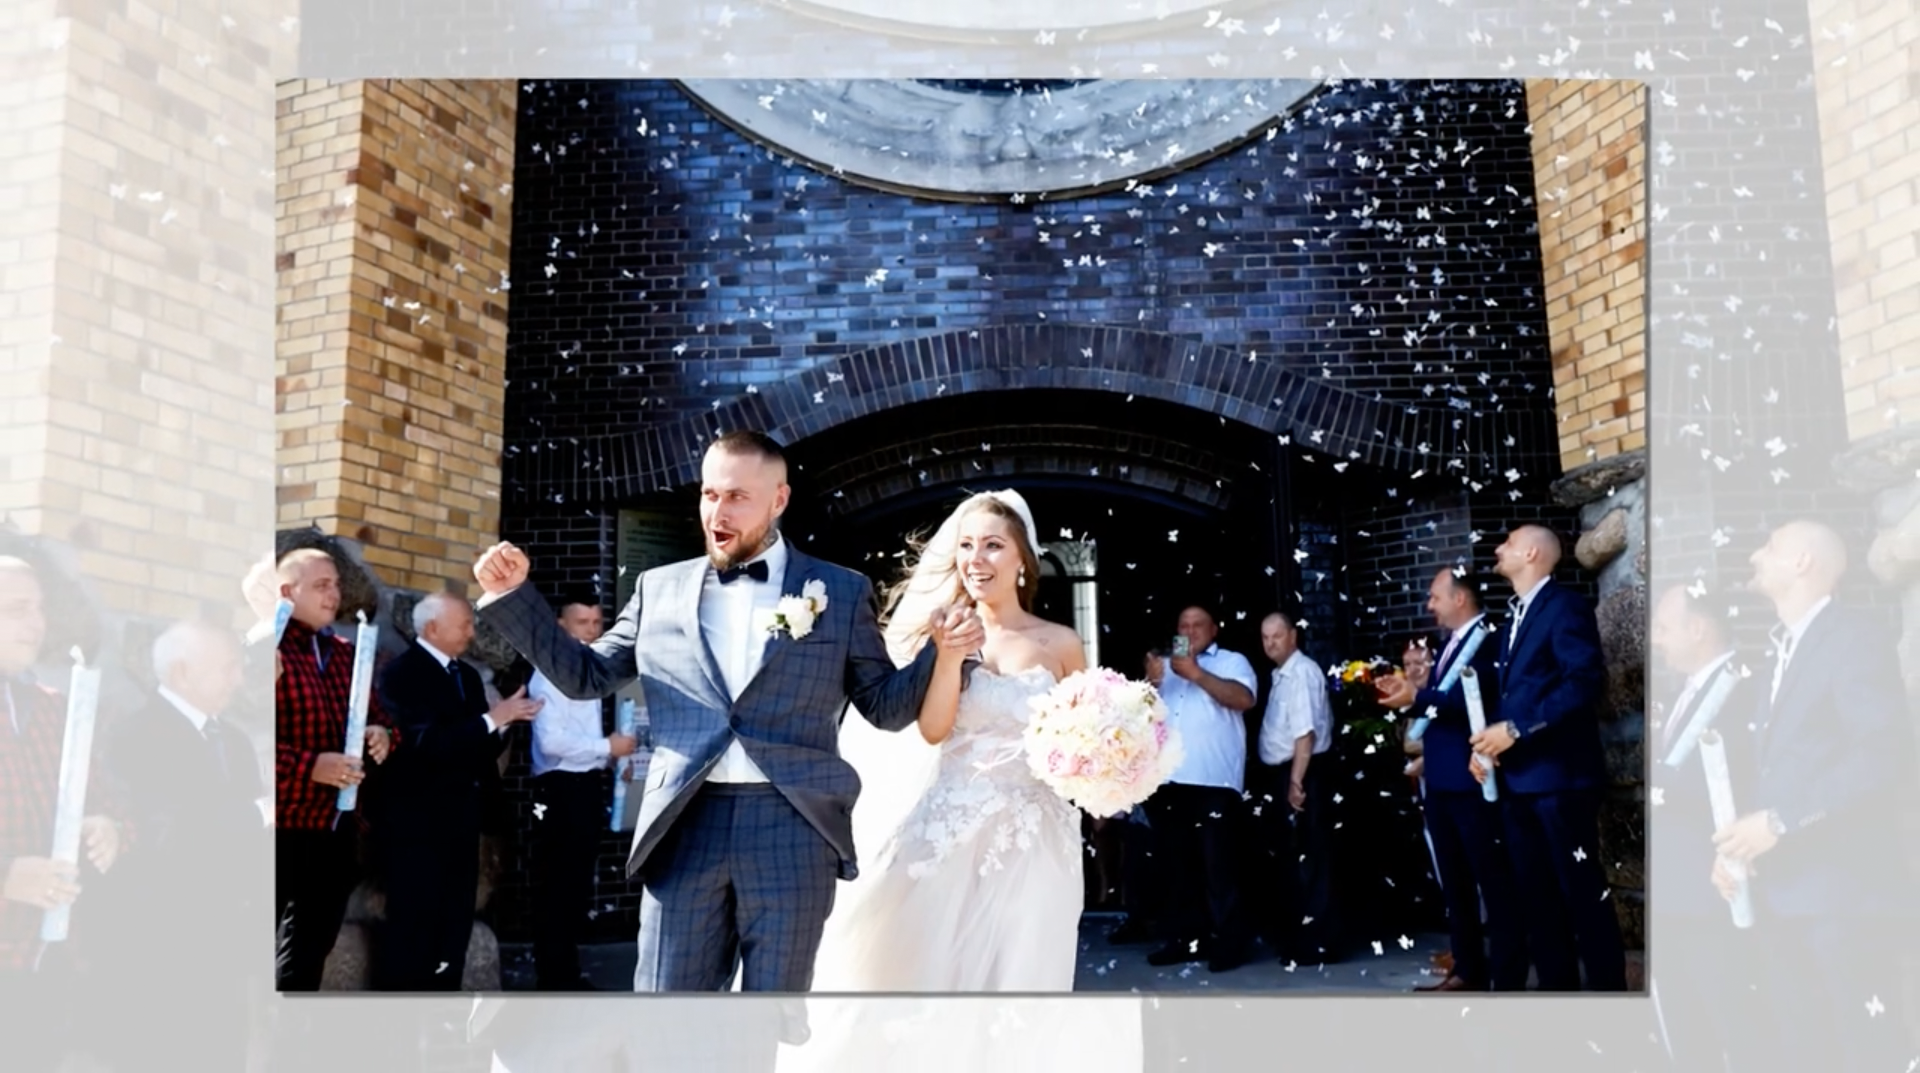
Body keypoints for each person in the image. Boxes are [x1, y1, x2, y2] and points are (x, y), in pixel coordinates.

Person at [473, 430, 949, 996]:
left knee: (767, 1016)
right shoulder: (658, 588)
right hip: (685, 824)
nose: (717, 513)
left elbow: (885, 708)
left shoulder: (841, 593)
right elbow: (585, 677)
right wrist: (513, 596)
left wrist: (944, 653)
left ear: (779, 500)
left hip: (792, 826)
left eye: (737, 497)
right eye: (709, 494)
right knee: (668, 1009)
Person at [779, 489, 1141, 1073]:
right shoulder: (946, 635)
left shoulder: (1060, 643)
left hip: (1037, 837)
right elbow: (933, 729)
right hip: (949, 827)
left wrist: (1108, 769)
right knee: (923, 971)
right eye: (967, 545)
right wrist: (948, 656)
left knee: (1023, 978)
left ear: (1023, 560)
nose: (976, 558)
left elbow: (1090, 726)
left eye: (993, 545)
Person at [1712, 520, 1917, 1073]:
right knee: (1806, 1051)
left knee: (1866, 1051)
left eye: (1770, 546)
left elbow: (1882, 754)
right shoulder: (1780, 651)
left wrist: (1780, 822)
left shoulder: (1853, 637)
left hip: (1844, 899)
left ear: (1802, 561)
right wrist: (1737, 849)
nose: (1756, 555)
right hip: (1786, 896)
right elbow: (1782, 770)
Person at [97, 619, 269, 1071]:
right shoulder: (137, 733)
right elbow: (161, 831)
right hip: (160, 942)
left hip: (225, 939)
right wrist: (259, 814)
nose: (239, 679)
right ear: (181, 672)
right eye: (228, 667)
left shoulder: (232, 740)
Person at [1472, 526, 1626, 991]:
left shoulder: (1564, 607)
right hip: (1520, 782)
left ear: (1532, 553)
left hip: (1561, 781)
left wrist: (1517, 730)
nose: (1498, 548)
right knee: (1537, 902)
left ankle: (1611, 1001)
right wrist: (1487, 748)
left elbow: (1583, 681)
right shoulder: (1514, 615)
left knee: (1582, 895)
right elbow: (1514, 694)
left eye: (1508, 542)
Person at [372, 592, 540, 990]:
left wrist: (501, 723)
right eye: (464, 624)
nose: (471, 632)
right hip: (417, 827)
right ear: (432, 628)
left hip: (463, 824)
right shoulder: (400, 674)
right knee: (413, 931)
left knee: (454, 929)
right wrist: (491, 719)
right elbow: (422, 743)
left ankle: (444, 1014)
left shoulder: (466, 675)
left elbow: (478, 746)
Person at [0, 556, 129, 1071]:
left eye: (39, 609)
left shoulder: (53, 707)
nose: (37, 623)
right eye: (17, 609)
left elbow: (109, 804)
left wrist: (110, 828)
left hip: (40, 965)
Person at [1379, 568, 1528, 992]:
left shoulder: (1489, 640)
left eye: (1435, 596)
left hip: (1473, 779)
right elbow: (1440, 704)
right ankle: (1467, 968)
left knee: (1492, 881)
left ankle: (1508, 977)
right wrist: (1410, 696)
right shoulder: (1448, 645)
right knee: (1455, 882)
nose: (1430, 605)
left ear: (1460, 599)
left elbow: (1473, 698)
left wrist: (1418, 697)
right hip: (1442, 780)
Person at [1644, 583, 1765, 1069]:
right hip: (1675, 887)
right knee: (1685, 1020)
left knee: (1731, 1018)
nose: (1656, 639)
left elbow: (1749, 778)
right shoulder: (1685, 692)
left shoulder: (1743, 688)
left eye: (1664, 628)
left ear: (1697, 629)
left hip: (1713, 886)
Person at [274, 547, 400, 991]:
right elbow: (244, 739)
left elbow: (380, 717)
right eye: (321, 585)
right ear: (287, 592)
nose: (334, 595)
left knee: (310, 950)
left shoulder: (347, 653)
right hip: (279, 825)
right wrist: (310, 766)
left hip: (333, 827)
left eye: (337, 585)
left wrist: (383, 734)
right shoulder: (264, 651)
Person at [1142, 605, 1260, 973]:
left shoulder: (1231, 661)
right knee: (1177, 867)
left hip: (1213, 779)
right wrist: (1149, 686)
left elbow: (1243, 699)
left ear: (1214, 630)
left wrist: (1196, 673)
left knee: (1218, 867)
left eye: (1198, 625)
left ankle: (1229, 943)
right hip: (1168, 780)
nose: (1190, 631)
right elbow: (1139, 719)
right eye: (1184, 625)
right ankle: (1185, 940)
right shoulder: (1164, 665)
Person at [526, 594, 634, 991]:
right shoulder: (549, 673)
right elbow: (552, 742)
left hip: (585, 786)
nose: (591, 630)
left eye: (596, 622)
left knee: (574, 886)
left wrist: (609, 759)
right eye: (581, 622)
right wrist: (607, 747)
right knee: (558, 886)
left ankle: (565, 973)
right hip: (559, 790)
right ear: (561, 625)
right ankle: (554, 979)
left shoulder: (586, 669)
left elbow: (582, 736)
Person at [1251, 610, 1338, 965]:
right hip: (1287, 772)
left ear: (1293, 637)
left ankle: (1315, 942)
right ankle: (1298, 938)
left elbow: (1305, 733)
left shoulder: (1301, 672)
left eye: (1277, 635)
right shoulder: (1281, 675)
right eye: (1265, 637)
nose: (1270, 643)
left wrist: (1296, 782)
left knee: (1309, 859)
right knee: (1292, 858)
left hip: (1303, 771)